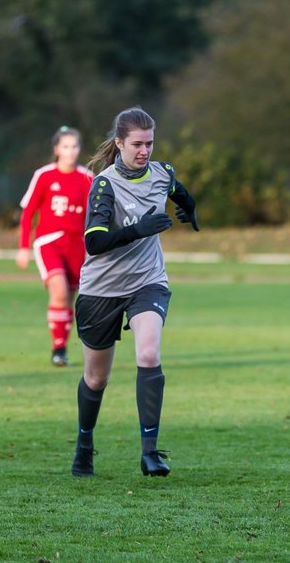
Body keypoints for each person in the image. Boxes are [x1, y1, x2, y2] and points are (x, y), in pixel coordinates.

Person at [70, 107, 199, 478]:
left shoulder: (162, 173)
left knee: (148, 352)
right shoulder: (105, 184)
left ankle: (150, 452)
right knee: (96, 378)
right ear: (120, 144)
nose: (145, 151)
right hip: (101, 290)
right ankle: (84, 444)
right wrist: (140, 228)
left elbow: (180, 193)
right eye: (137, 144)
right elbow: (94, 243)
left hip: (147, 282)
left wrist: (189, 211)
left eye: (150, 143)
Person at [16, 126, 92, 366]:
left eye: (75, 146)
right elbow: (29, 212)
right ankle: (58, 348)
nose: (70, 151)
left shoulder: (87, 177)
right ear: (57, 149)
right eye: (66, 146)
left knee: (68, 298)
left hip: (76, 245)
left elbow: (94, 215)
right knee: (58, 291)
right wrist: (23, 246)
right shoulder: (45, 175)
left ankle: (61, 348)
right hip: (49, 241)